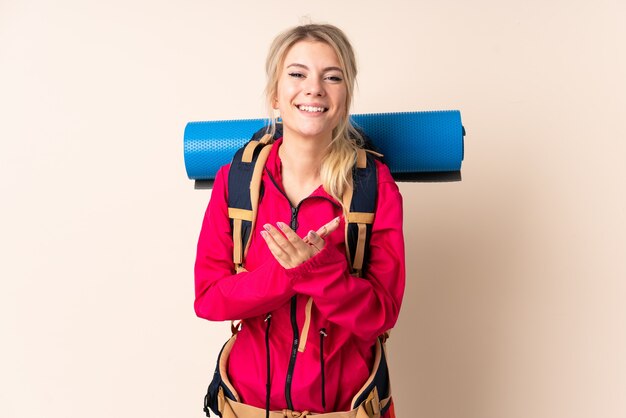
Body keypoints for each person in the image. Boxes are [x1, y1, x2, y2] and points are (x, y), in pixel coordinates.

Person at [194, 23, 405, 416]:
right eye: (297, 74)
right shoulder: (235, 182)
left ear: (345, 97)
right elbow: (208, 300)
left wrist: (317, 270)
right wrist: (288, 273)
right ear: (275, 94)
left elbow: (380, 314)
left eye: (333, 77)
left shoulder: (374, 188)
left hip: (347, 408)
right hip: (245, 406)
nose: (314, 88)